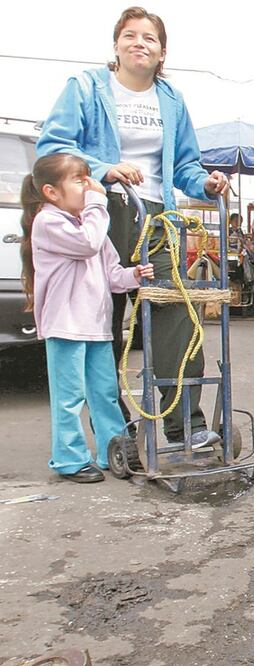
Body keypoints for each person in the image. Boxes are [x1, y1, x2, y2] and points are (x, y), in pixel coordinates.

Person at [37, 6, 230, 449]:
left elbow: (185, 165)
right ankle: (116, 429)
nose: (139, 43)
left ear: (162, 52)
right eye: (130, 35)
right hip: (99, 210)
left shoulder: (171, 99)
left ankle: (186, 425)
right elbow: (54, 147)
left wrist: (205, 182)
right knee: (101, 320)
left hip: (157, 215)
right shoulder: (86, 87)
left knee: (175, 312)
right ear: (116, 45)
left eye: (149, 37)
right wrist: (103, 169)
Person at [20, 154, 154, 482]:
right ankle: (69, 459)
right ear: (51, 192)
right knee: (70, 397)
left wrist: (134, 275)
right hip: (66, 326)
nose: (88, 186)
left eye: (87, 179)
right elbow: (87, 244)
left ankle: (114, 451)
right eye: (79, 181)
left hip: (96, 326)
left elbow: (112, 274)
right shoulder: (48, 222)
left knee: (104, 392)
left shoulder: (90, 223)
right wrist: (98, 203)